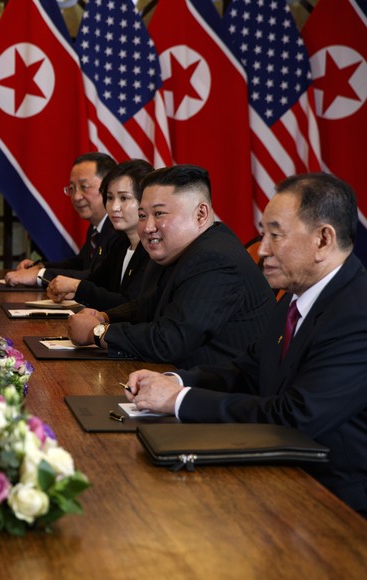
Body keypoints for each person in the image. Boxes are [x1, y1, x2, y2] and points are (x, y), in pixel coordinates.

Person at [125, 173, 367, 514]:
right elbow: (248, 370)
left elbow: (295, 418)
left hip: (334, 500)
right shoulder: (294, 299)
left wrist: (179, 400)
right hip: (278, 472)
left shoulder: (357, 313)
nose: (262, 249)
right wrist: (175, 381)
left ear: (323, 240)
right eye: (263, 233)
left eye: (275, 235)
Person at [68, 165, 275, 368]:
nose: (148, 227)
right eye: (142, 215)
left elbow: (170, 340)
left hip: (220, 393)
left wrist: (98, 332)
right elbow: (148, 305)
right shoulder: (175, 249)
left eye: (159, 214)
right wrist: (105, 316)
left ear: (201, 214)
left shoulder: (215, 259)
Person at [46, 159, 153, 310]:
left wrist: (77, 286)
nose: (114, 207)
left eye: (124, 198)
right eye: (109, 198)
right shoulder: (121, 243)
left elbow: (129, 305)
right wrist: (73, 291)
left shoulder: (153, 248)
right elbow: (96, 282)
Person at [5, 152, 117, 287]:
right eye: (71, 188)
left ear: (107, 188)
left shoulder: (117, 229)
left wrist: (40, 276)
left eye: (84, 187)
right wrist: (40, 266)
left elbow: (98, 276)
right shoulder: (96, 228)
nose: (76, 197)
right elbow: (80, 264)